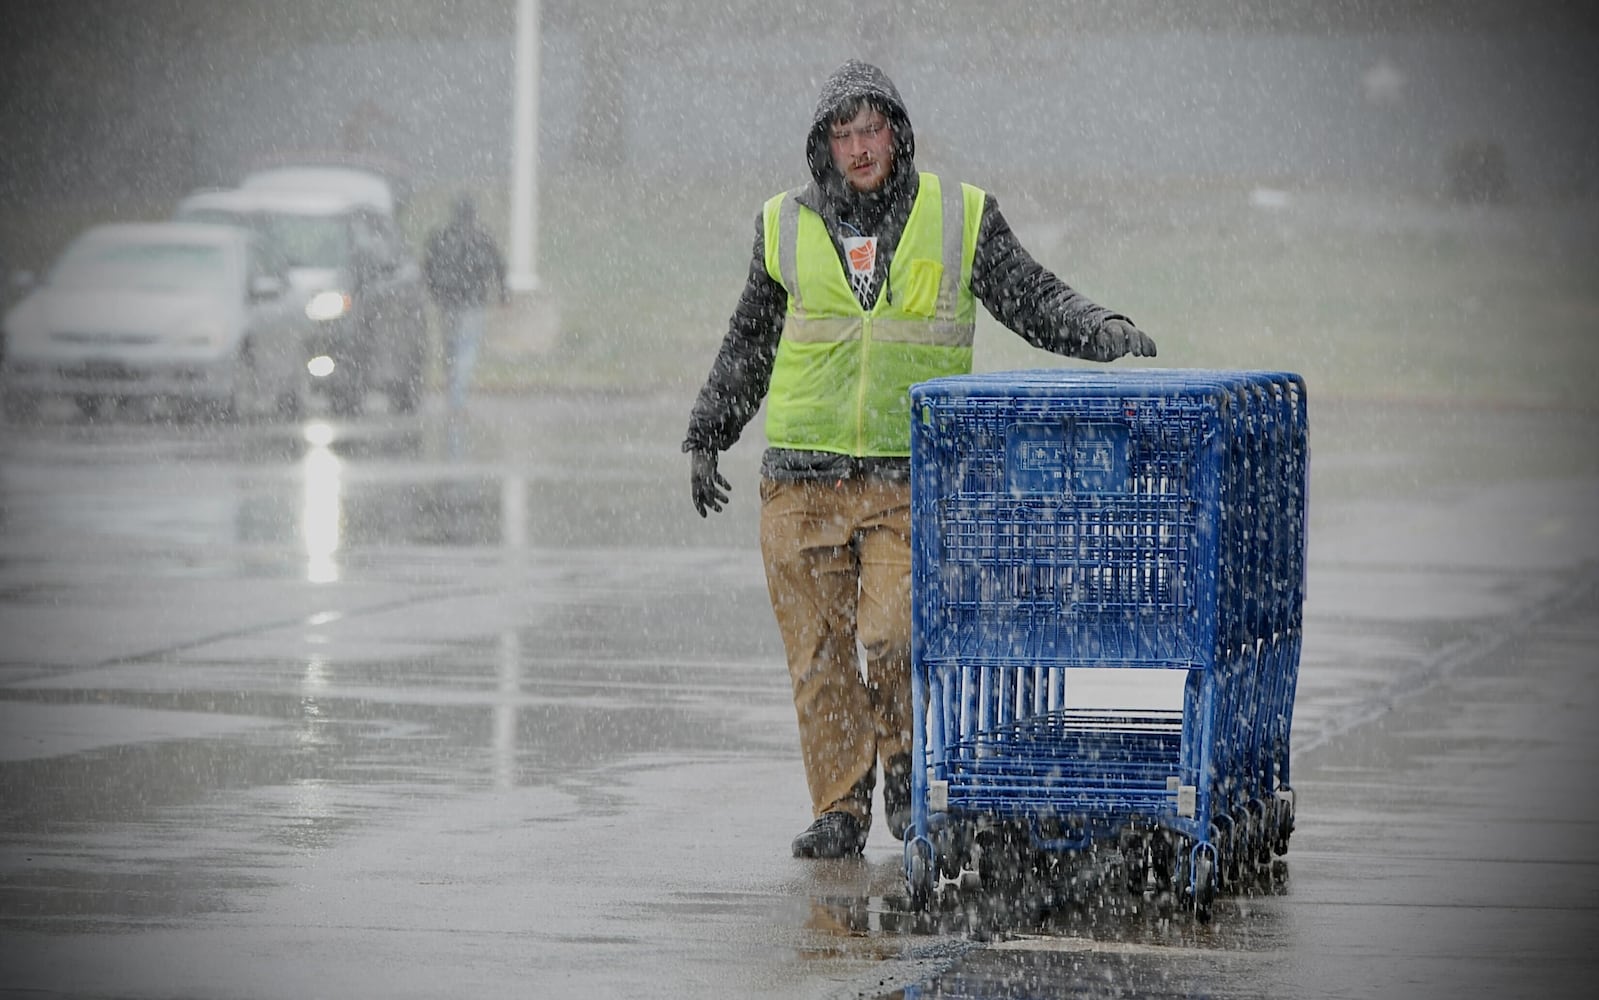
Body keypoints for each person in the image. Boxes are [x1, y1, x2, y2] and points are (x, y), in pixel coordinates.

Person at [683, 60, 1156, 860]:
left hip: (909, 476)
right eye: (842, 134)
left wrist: (1098, 329)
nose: (858, 148)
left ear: (897, 135)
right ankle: (839, 806)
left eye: (870, 129)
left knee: (896, 635)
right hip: (799, 480)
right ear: (821, 146)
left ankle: (902, 764)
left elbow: (1031, 297)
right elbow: (747, 343)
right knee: (818, 656)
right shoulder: (781, 224)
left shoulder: (958, 215)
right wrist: (706, 434)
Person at [423, 194, 507, 412]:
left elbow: (428, 268)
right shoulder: (481, 238)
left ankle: (454, 391)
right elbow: (498, 266)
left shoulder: (440, 238)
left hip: (448, 302)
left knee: (451, 349)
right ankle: (457, 396)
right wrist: (502, 293)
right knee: (466, 348)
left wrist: (433, 292)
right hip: (473, 302)